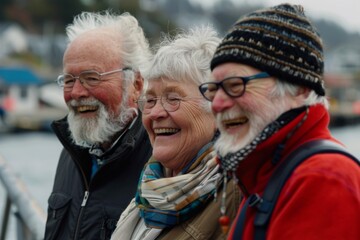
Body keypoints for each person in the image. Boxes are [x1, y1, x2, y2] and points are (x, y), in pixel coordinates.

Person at [198, 3, 360, 240]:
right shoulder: (265, 174)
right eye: (213, 89)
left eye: (235, 86)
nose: (217, 104)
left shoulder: (323, 180)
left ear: (300, 89)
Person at [111, 26, 241, 240]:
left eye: (173, 98)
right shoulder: (148, 190)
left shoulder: (235, 195)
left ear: (218, 109)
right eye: (150, 100)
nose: (155, 113)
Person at [44, 11, 153, 240]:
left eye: (92, 77)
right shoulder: (71, 152)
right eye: (69, 80)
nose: (76, 93)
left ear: (136, 84)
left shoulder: (159, 162)